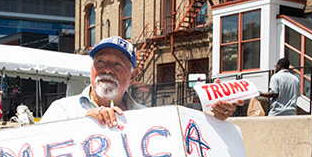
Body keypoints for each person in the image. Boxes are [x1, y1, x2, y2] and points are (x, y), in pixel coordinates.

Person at [40, 36, 239, 127]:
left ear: (132, 77)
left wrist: (212, 119)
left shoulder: (147, 119)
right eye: (100, 62)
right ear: (91, 69)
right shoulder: (62, 111)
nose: (107, 69)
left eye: (117, 64)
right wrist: (83, 127)